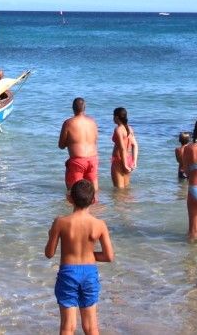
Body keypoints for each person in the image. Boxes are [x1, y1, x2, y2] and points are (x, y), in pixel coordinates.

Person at [45, 180, 114, 335]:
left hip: (68, 273)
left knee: (67, 327)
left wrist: (51, 236)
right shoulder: (99, 224)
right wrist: (90, 254)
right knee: (91, 327)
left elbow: (49, 254)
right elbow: (109, 256)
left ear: (70, 199)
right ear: (94, 200)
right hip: (89, 274)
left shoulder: (60, 222)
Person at [59, 97, 100, 194]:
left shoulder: (68, 123)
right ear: (84, 108)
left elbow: (61, 145)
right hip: (93, 159)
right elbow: (95, 140)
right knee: (93, 192)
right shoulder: (92, 122)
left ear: (72, 108)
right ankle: (94, 208)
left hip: (78, 161)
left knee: (74, 193)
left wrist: (71, 142)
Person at [109, 108, 138, 189]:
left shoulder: (118, 129)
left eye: (113, 116)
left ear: (117, 118)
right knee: (126, 189)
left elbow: (122, 148)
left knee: (119, 190)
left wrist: (124, 165)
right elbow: (135, 145)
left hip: (119, 161)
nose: (113, 118)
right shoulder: (129, 128)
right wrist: (134, 161)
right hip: (128, 159)